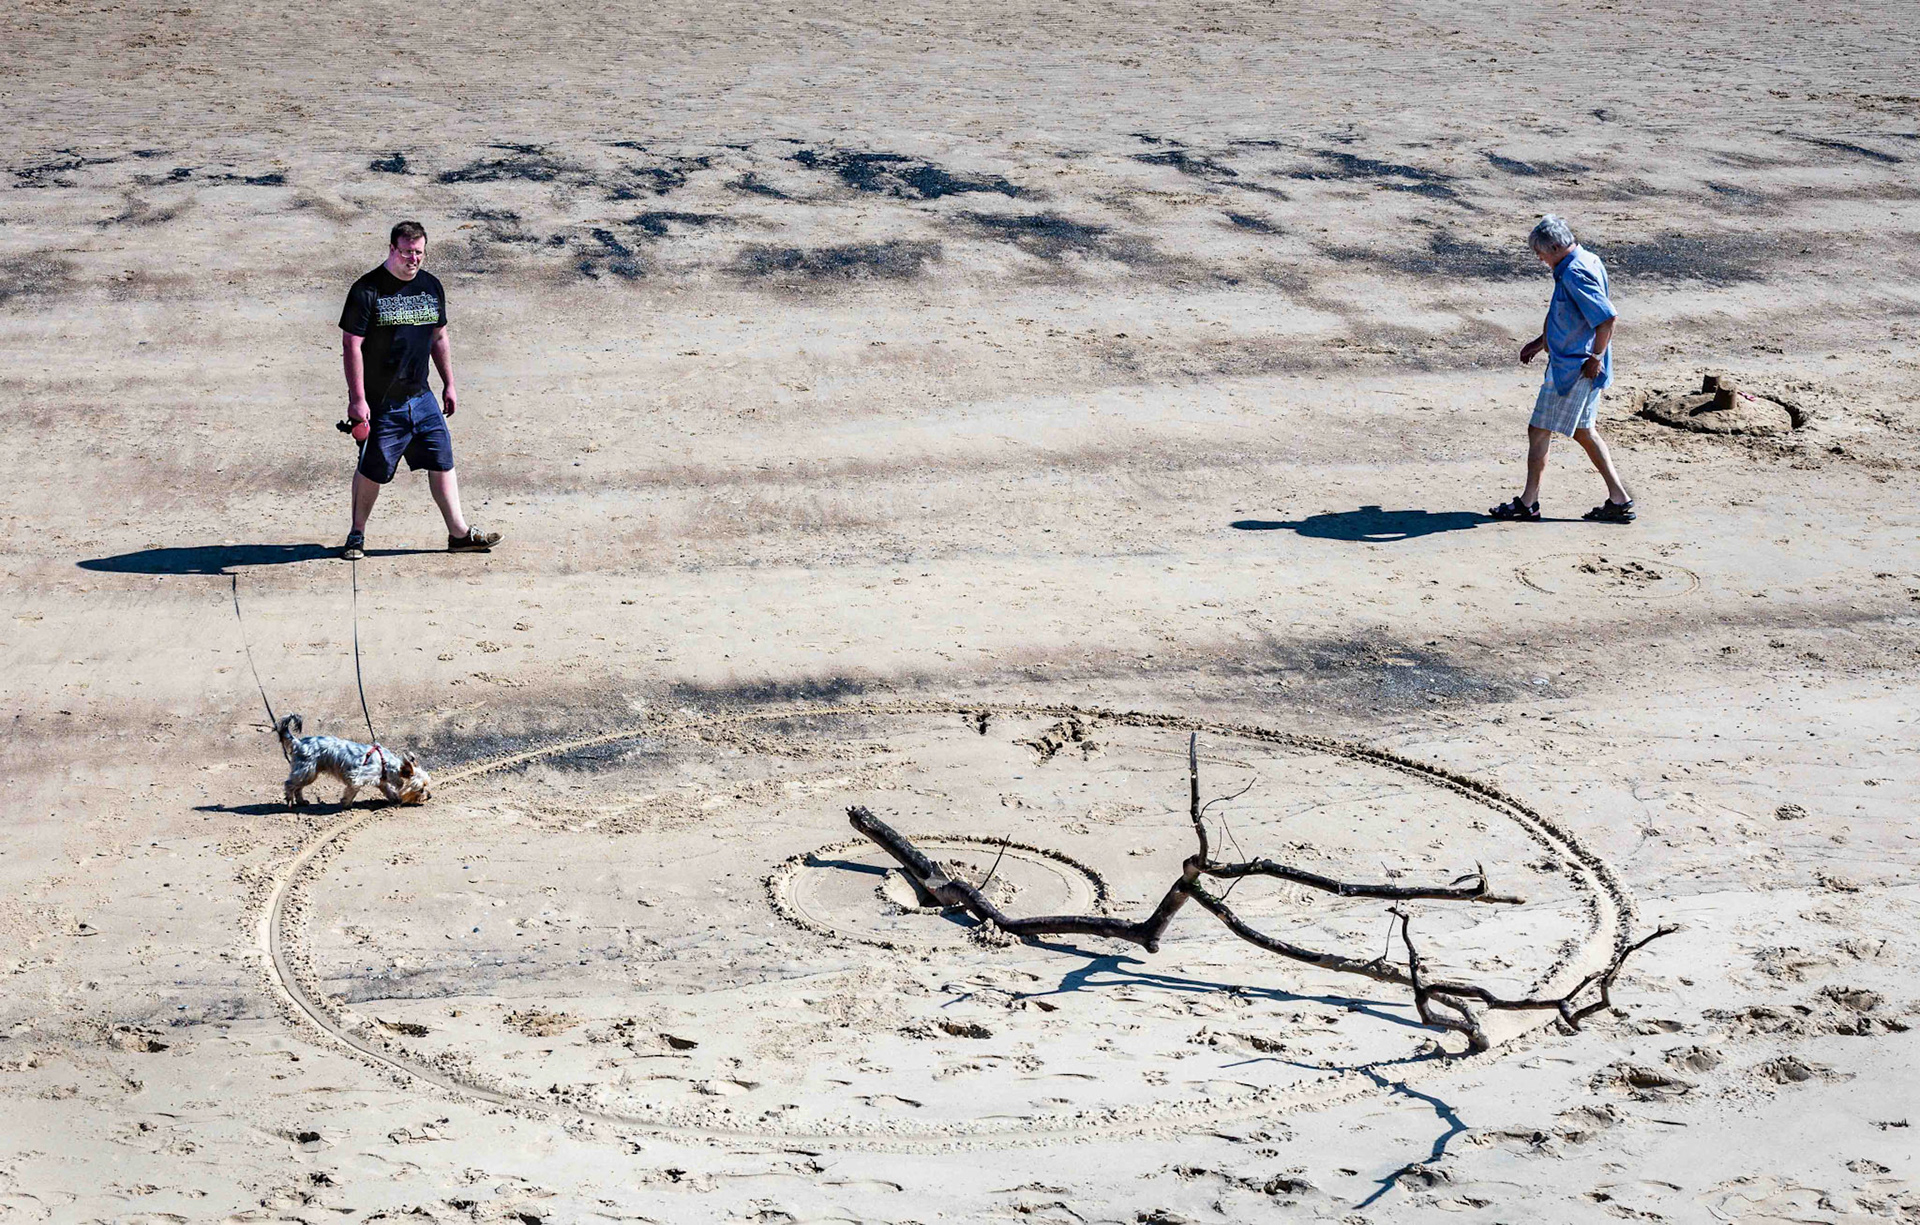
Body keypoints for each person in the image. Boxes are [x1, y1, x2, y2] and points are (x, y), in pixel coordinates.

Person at [338, 220, 501, 559]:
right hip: (382, 402)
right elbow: (352, 345)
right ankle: (356, 534)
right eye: (407, 252)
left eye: (419, 253)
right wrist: (358, 400)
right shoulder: (367, 290)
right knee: (373, 469)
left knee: (442, 460)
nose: (413, 259)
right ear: (391, 250)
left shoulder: (430, 287)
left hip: (422, 397)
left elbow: (439, 336)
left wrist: (450, 384)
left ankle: (459, 534)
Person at [1489, 214, 1635, 524]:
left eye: (1539, 252)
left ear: (1554, 246)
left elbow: (1606, 318)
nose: (1538, 258)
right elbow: (1570, 315)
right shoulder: (1586, 260)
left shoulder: (1575, 273)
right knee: (1583, 431)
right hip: (1575, 363)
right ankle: (1619, 498)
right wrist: (1541, 342)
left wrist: (1595, 357)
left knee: (1539, 430)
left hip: (1574, 368)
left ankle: (1528, 504)